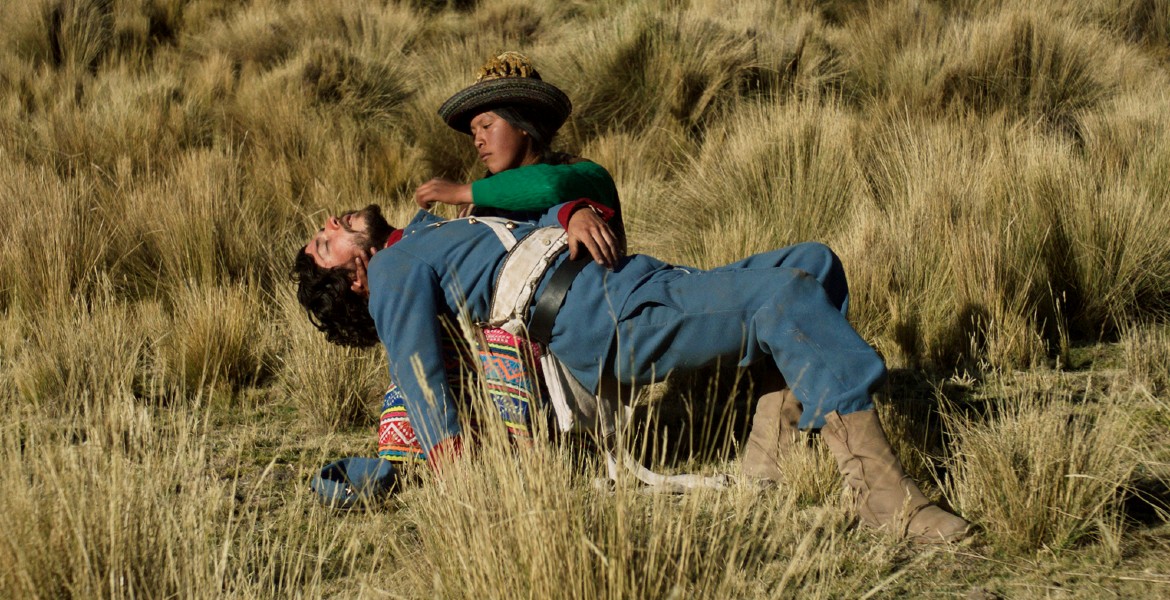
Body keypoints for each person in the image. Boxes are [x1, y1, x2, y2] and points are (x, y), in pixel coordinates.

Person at [291, 202, 972, 544]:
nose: (330, 222)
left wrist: (571, 211)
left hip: (636, 280)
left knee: (814, 263)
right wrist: (462, 479)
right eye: (326, 243)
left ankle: (770, 464)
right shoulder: (392, 274)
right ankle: (888, 505)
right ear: (352, 279)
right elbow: (418, 375)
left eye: (323, 228)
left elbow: (534, 219)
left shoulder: (425, 235)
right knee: (785, 297)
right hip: (602, 316)